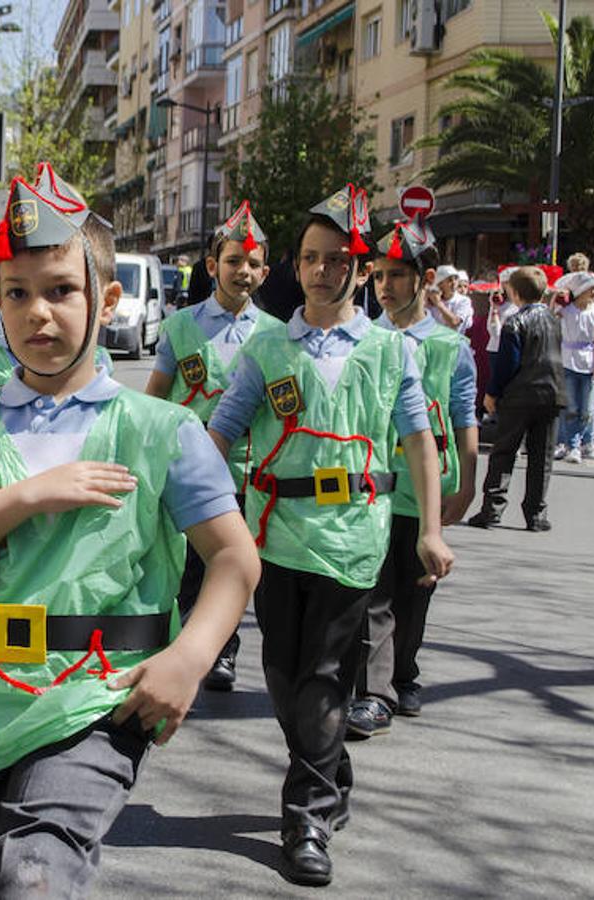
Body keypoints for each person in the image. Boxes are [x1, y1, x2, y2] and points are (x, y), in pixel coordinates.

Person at [0, 162, 258, 899]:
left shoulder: (163, 430)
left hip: (97, 701)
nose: (39, 313)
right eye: (17, 294)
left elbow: (231, 558)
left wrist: (188, 659)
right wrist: (26, 496)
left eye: (61, 290)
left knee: (33, 876)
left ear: (108, 298)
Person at [207, 184, 452, 887]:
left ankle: (305, 814)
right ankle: (330, 765)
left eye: (337, 259)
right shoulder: (264, 348)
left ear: (359, 268)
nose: (322, 271)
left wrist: (429, 530)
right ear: (296, 264)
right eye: (311, 258)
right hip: (273, 537)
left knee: (320, 676)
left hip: (354, 542)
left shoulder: (387, 349)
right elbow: (219, 432)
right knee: (282, 676)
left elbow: (418, 444)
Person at [347, 219, 478, 740]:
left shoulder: (450, 347)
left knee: (414, 591)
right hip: (373, 485)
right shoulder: (365, 339)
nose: (385, 286)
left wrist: (468, 484)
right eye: (379, 275)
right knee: (373, 592)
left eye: (398, 275)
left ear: (424, 279)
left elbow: (464, 416)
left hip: (426, 489)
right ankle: (375, 693)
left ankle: (404, 672)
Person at [144, 199, 273, 692]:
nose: (243, 272)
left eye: (254, 264)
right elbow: (156, 397)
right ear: (212, 265)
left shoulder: (277, 335)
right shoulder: (180, 326)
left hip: (247, 468)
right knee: (186, 564)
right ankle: (178, 641)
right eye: (234, 261)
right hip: (188, 469)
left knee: (233, 562)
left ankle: (223, 650)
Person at [468, 267, 565, 531]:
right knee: (541, 456)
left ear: (514, 292)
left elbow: (507, 363)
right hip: (552, 393)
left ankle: (492, 510)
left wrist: (492, 392)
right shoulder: (554, 320)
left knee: (503, 452)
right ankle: (536, 514)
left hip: (520, 395)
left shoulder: (514, 322)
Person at [552, 272, 594, 463]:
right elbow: (550, 316)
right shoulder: (566, 311)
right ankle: (571, 445)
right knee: (570, 406)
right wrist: (557, 299)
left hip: (588, 363)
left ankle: (588, 441)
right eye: (591, 289)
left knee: (587, 407)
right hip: (568, 362)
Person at [428, 264, 473, 333]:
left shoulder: (464, 301)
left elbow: (454, 323)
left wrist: (438, 303)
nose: (454, 283)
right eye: (450, 280)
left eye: (456, 279)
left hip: (454, 342)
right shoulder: (431, 301)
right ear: (440, 284)